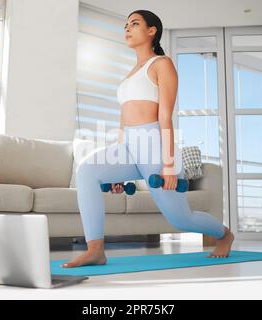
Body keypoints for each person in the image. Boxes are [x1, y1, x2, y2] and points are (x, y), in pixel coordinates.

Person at [61, 10, 234, 268]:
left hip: (153, 142)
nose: (127, 29)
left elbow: (166, 117)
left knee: (180, 219)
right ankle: (95, 249)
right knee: (86, 170)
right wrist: (117, 168)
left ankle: (225, 234)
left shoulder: (162, 64)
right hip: (128, 144)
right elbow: (123, 123)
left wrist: (169, 164)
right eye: (126, 25)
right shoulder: (129, 75)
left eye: (134, 24)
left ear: (152, 30)